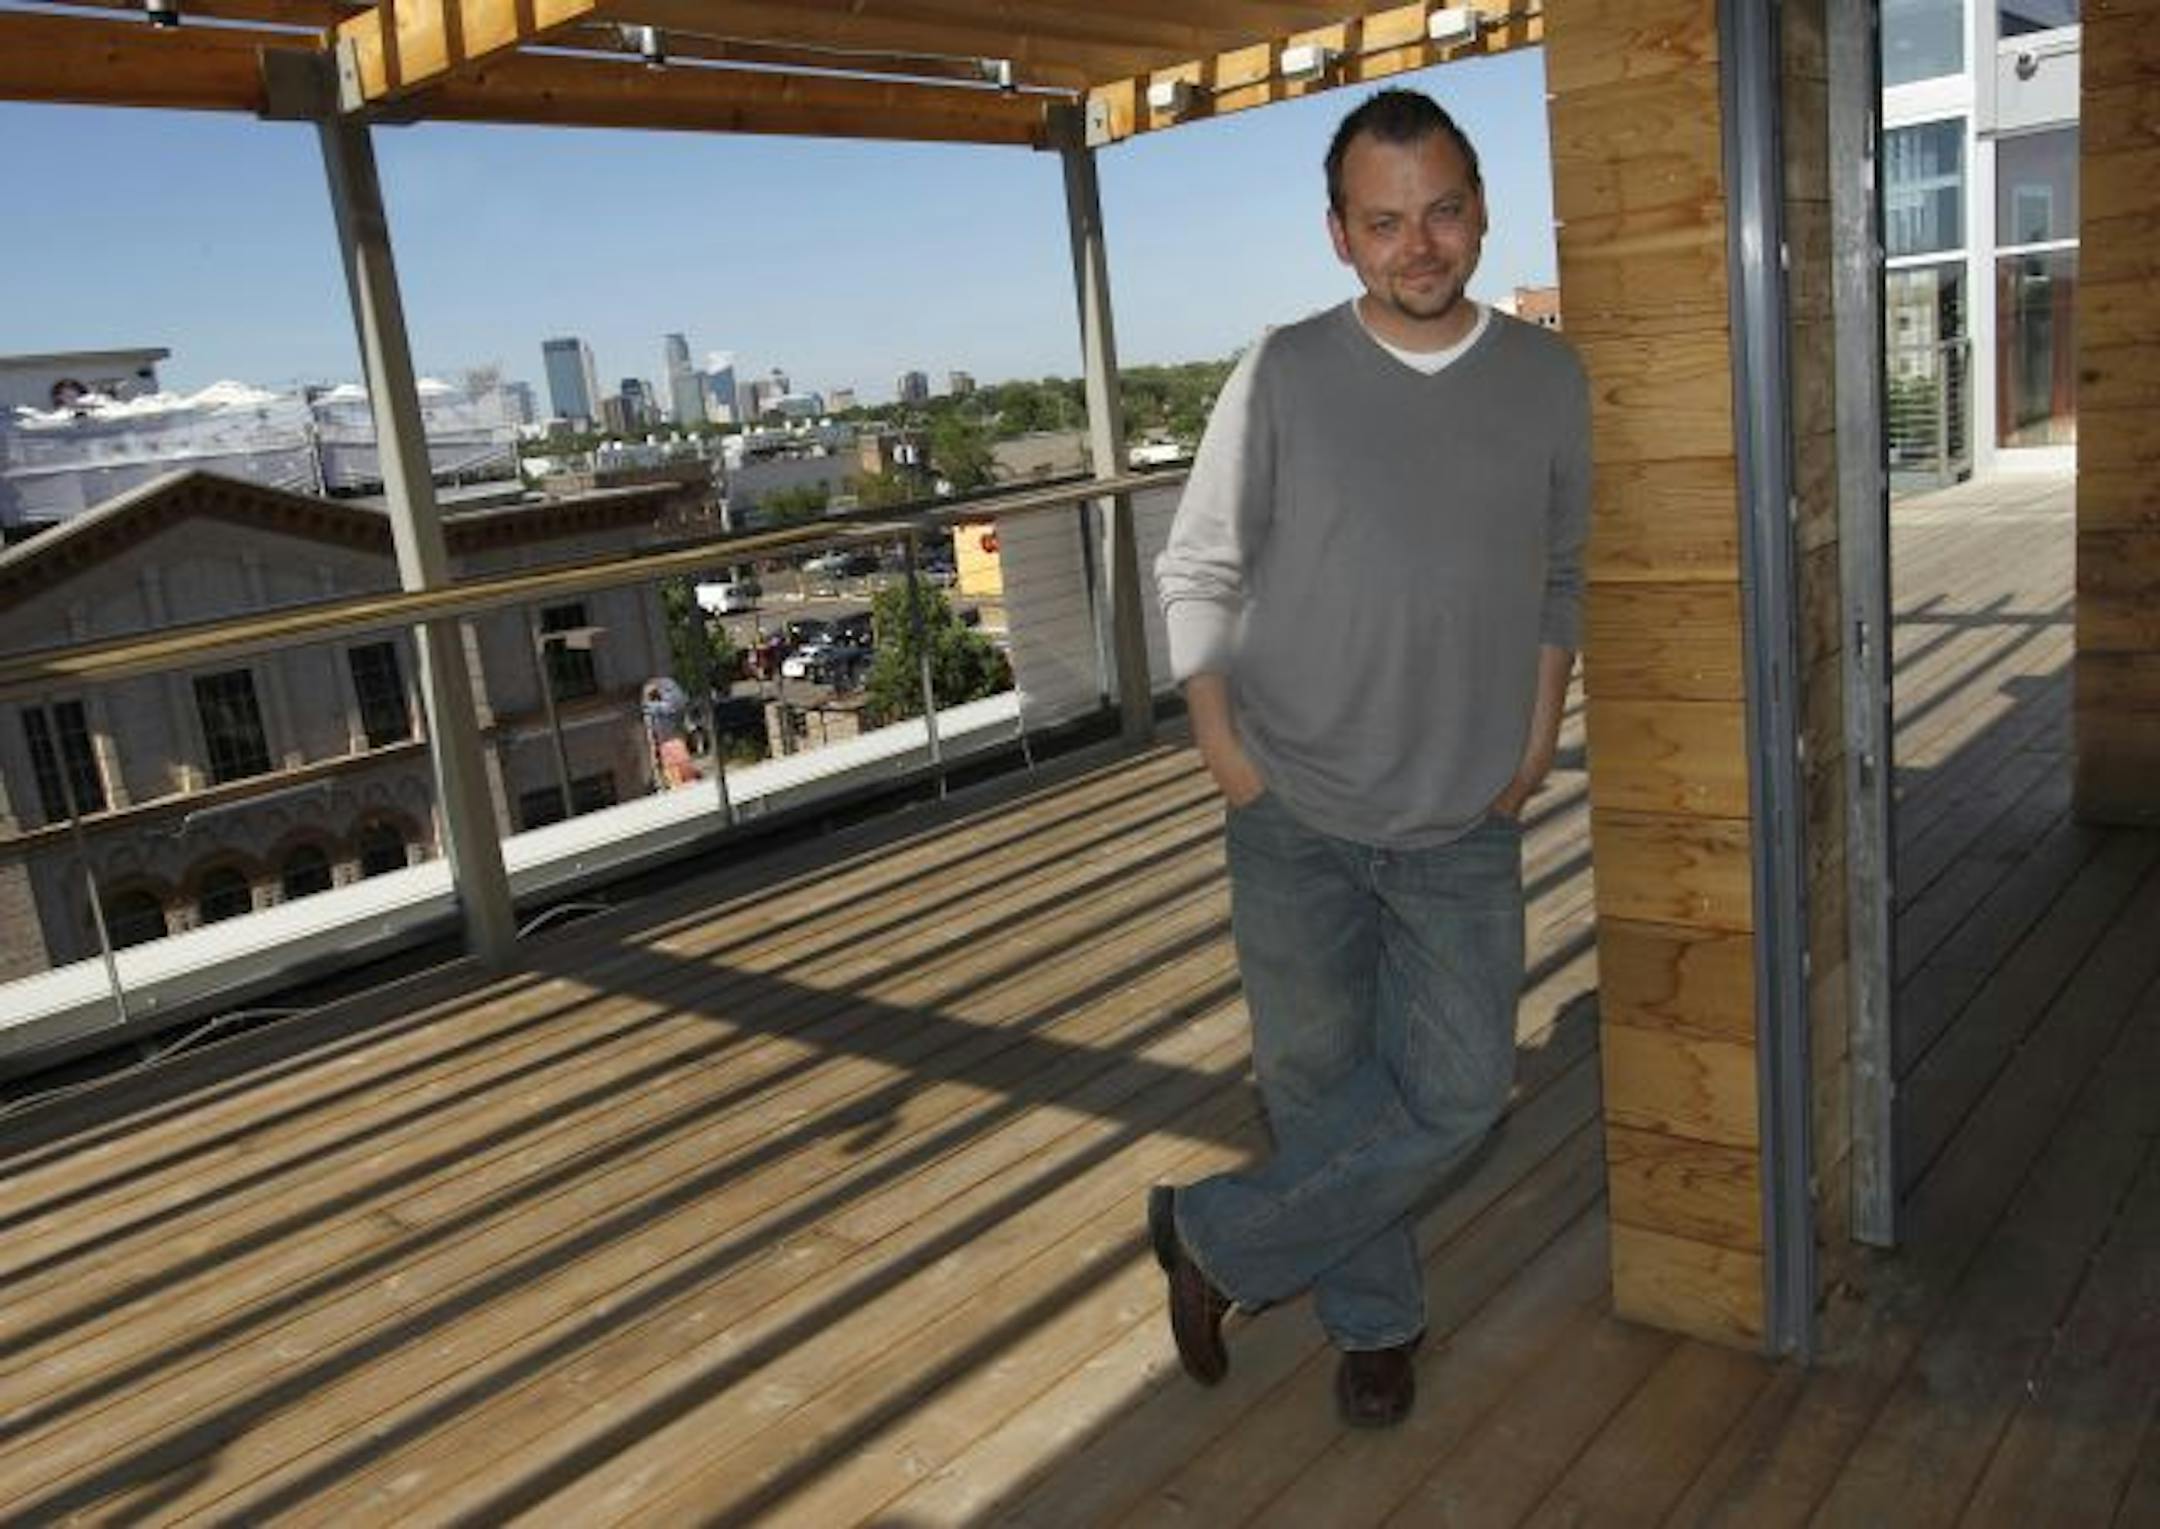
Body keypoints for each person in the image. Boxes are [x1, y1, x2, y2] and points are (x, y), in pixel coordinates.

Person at [1148, 87, 1590, 1429]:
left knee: (1459, 1095)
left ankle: (1212, 1237)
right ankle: (1376, 1321)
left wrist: (1536, 737)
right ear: (1339, 235)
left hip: (1464, 808)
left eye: (1443, 210)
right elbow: (1200, 564)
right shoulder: (1282, 371)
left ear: (1480, 209)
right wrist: (1226, 750)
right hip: (1292, 802)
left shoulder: (1544, 378)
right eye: (1385, 220)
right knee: (1322, 1088)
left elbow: (1561, 575)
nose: (1420, 245)